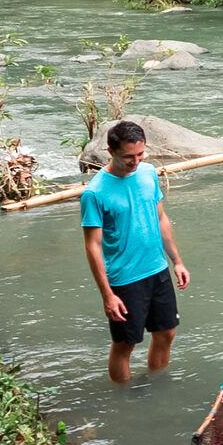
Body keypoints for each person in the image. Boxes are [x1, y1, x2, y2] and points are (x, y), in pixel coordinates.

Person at [80, 120, 189, 384]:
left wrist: (177, 261)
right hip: (124, 279)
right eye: (128, 156)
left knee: (166, 333)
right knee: (125, 344)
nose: (136, 161)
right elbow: (93, 245)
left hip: (156, 268)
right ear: (110, 151)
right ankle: (124, 398)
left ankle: (157, 385)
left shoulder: (148, 173)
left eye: (140, 154)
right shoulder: (95, 193)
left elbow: (161, 218)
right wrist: (107, 295)